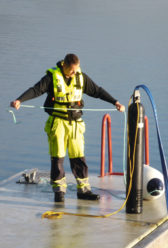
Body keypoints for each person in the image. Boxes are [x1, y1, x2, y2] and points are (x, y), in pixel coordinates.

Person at [10, 54, 125, 202]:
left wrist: (115, 102)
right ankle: (59, 192)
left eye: (76, 70)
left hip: (76, 124)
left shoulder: (81, 77)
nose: (74, 73)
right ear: (64, 65)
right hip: (58, 123)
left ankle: (84, 190)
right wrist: (20, 100)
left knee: (79, 157)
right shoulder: (52, 77)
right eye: (71, 70)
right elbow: (36, 90)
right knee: (57, 158)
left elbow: (97, 91)